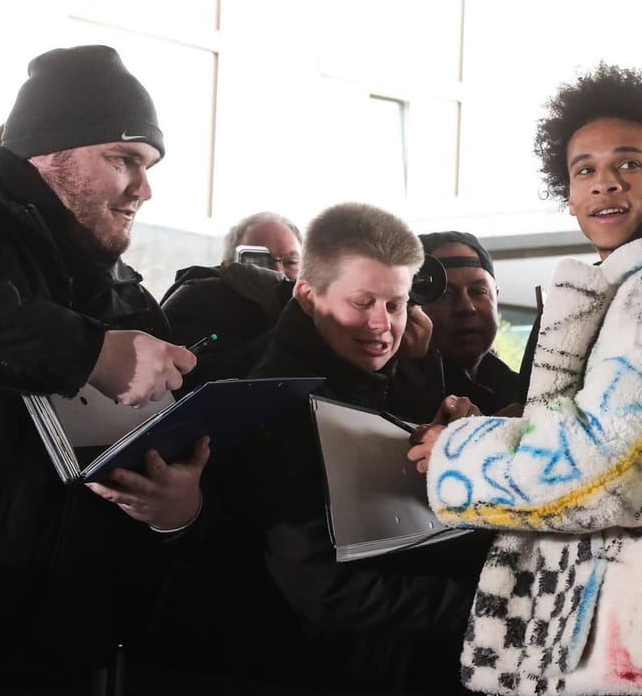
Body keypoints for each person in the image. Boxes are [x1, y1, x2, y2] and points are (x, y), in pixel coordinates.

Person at [410, 63, 642, 696]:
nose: (604, 183)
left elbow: (612, 471)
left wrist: (456, 458)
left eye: (629, 164)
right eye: (584, 170)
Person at [0, 45, 207, 691]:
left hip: (67, 656)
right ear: (50, 151)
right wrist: (88, 353)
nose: (145, 188)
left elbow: (162, 468)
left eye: (150, 165)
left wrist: (178, 509)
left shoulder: (129, 297)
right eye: (125, 159)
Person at [205, 202, 485, 693]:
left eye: (396, 305)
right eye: (362, 302)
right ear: (308, 296)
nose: (383, 326)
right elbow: (323, 590)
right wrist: (492, 605)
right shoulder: (272, 404)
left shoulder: (387, 380)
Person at [160, 212, 303, 392]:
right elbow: (196, 387)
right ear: (227, 264)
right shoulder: (198, 300)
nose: (277, 270)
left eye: (291, 262)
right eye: (257, 260)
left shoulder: (310, 309)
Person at [416, 230, 523, 415]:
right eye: (446, 294)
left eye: (478, 292)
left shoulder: (524, 394)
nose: (466, 307)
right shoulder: (390, 393)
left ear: (496, 298)